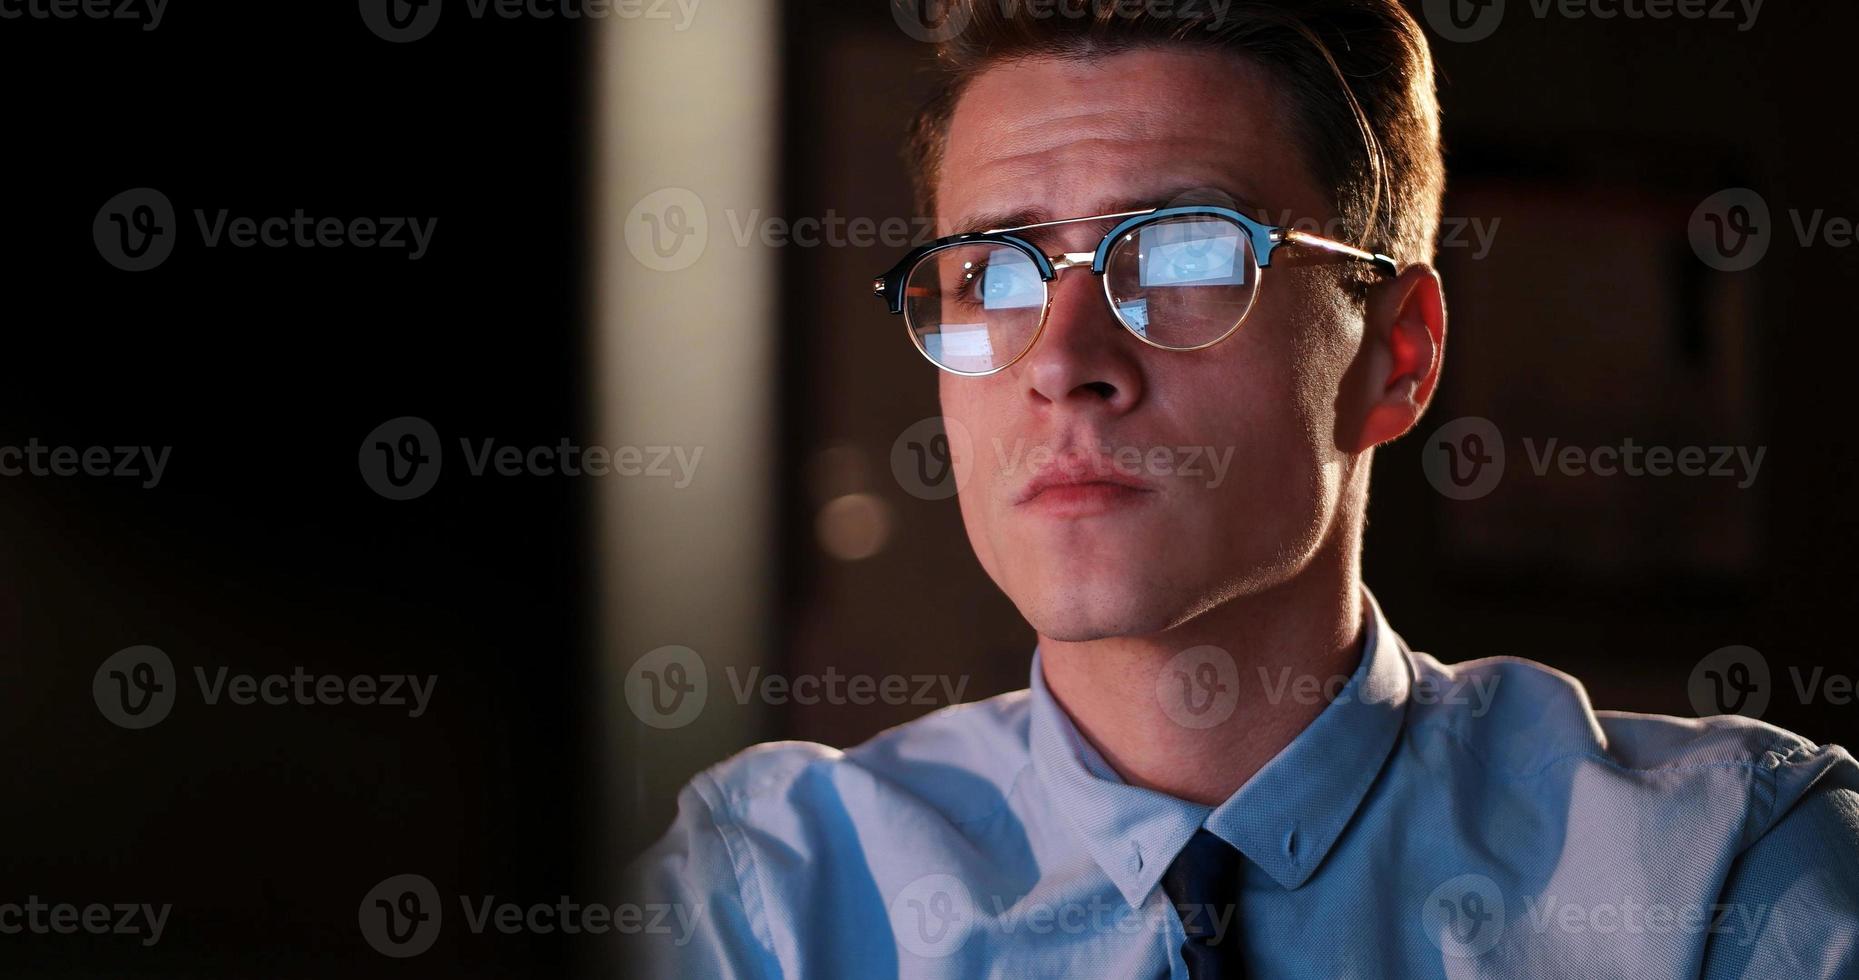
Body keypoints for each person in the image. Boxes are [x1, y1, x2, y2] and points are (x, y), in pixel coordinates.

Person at [627, 1, 1859, 975]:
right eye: (992, 271)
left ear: (1395, 353)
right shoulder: (767, 900)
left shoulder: (1717, 880)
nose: (1061, 361)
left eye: (1181, 256)